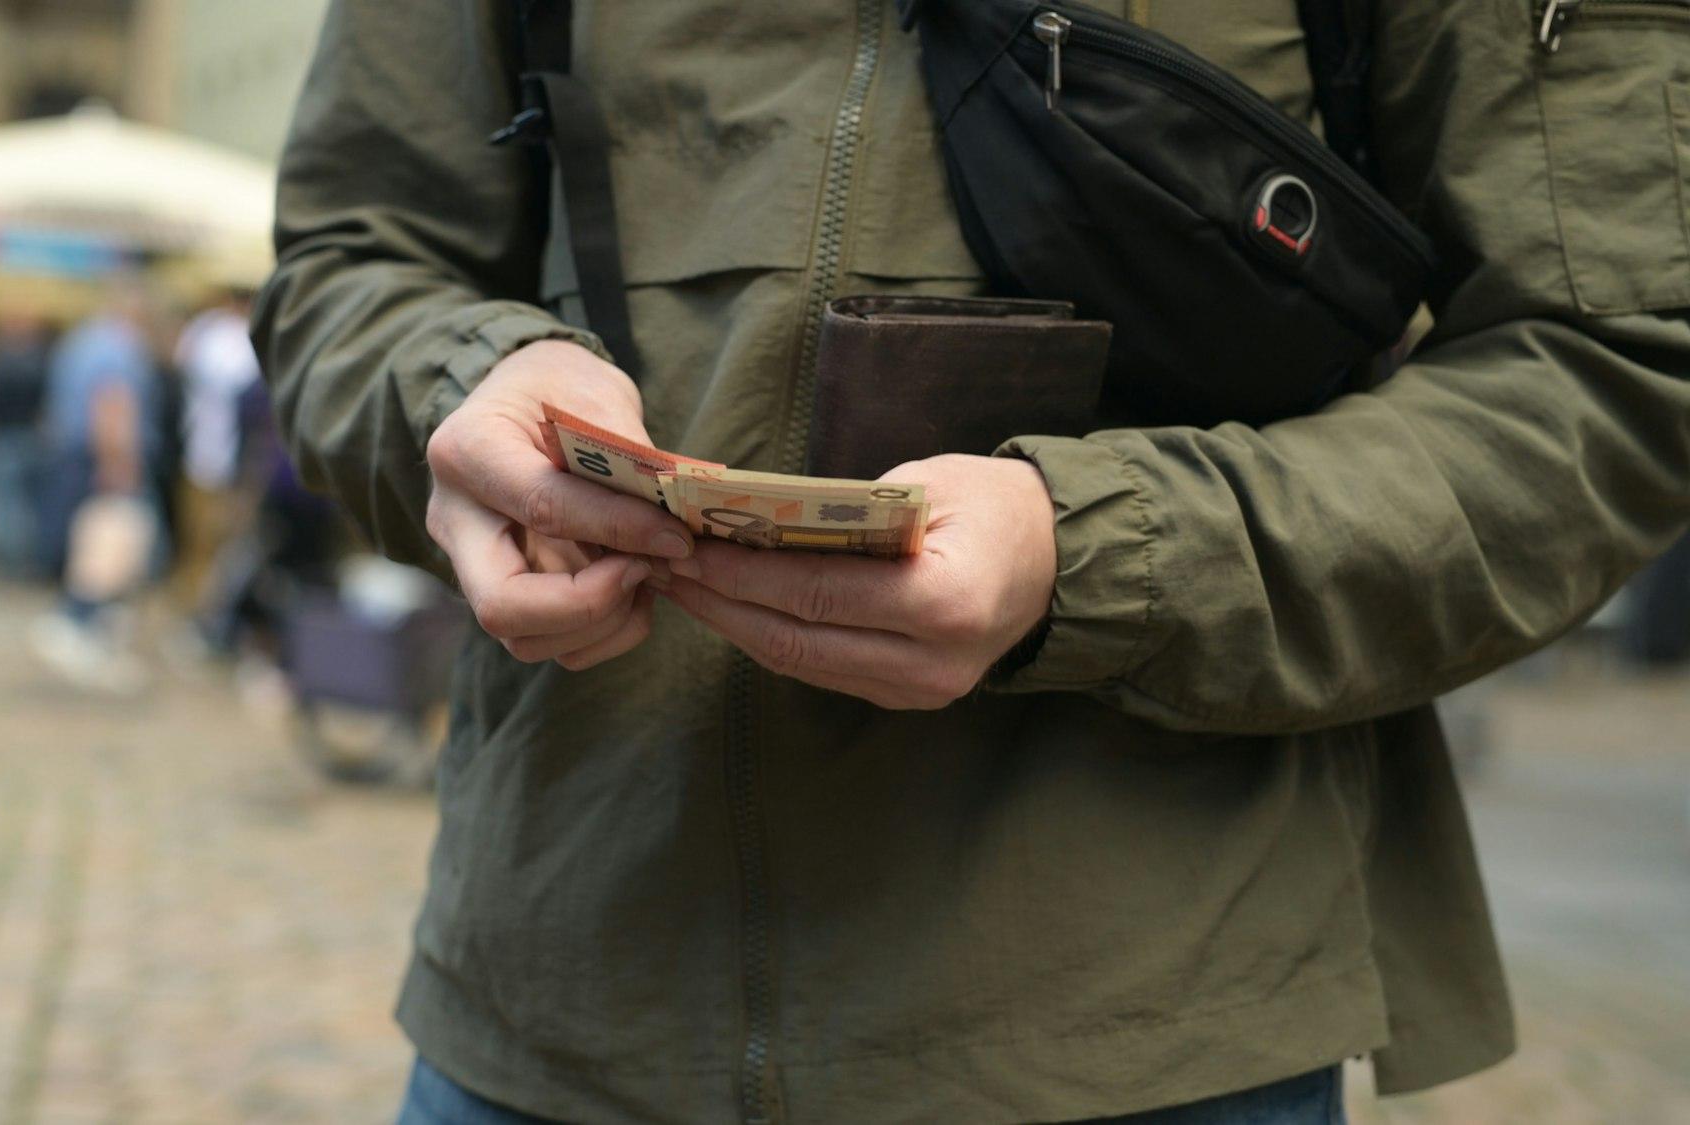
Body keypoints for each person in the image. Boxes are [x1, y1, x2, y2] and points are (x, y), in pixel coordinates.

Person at [255, 3, 1690, 1123]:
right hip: (548, 1010)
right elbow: (353, 257)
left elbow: (1611, 367)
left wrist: (1098, 553)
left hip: (1150, 1048)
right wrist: (465, 382)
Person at [30, 281, 162, 693]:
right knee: (110, 551)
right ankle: (78, 624)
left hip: (72, 455)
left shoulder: (82, 340)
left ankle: (90, 632)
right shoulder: (118, 348)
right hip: (100, 460)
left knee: (91, 546)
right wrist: (119, 463)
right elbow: (112, 405)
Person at [170, 287, 264, 607]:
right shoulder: (229, 337)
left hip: (207, 452)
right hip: (223, 458)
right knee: (213, 539)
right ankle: (203, 607)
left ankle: (202, 605)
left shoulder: (206, 330)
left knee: (204, 540)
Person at [0, 304, 51, 579]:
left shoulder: (0, 361)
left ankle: (6, 564)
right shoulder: (41, 361)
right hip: (29, 437)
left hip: (4, 437)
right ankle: (23, 562)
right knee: (25, 506)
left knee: (4, 505)